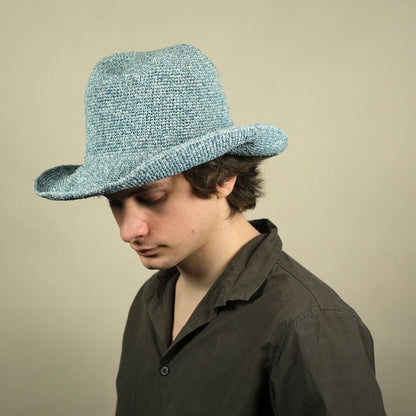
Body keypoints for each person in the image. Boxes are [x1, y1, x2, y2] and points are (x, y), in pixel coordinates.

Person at [34, 44, 386, 415]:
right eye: (115, 203)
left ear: (221, 178)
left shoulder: (309, 322)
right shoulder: (150, 303)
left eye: (152, 197)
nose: (128, 230)